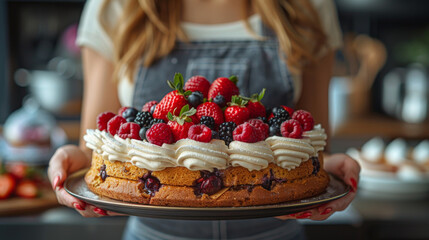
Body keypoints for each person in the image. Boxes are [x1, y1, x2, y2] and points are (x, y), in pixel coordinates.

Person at [48, 0, 361, 239]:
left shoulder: (308, 6)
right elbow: (98, 148)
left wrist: (330, 169)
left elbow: (311, 142)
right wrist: (72, 162)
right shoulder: (114, 6)